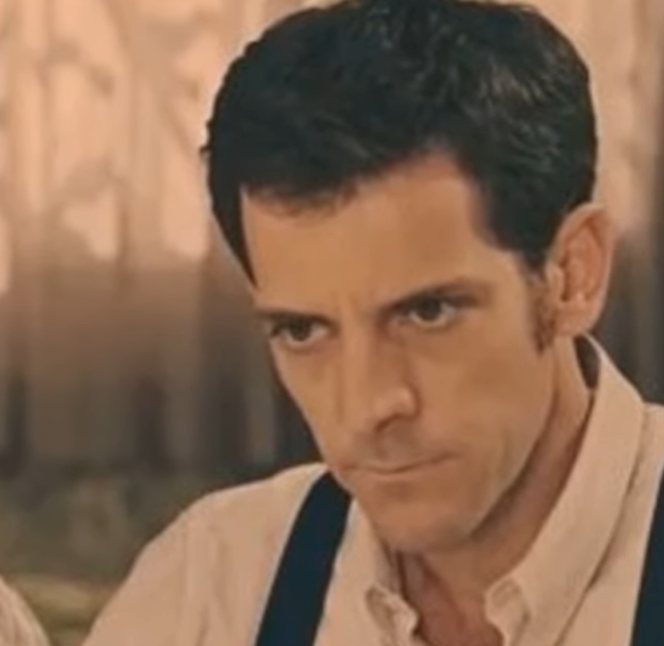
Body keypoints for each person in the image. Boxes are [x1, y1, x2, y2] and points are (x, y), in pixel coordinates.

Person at [83, 1, 664, 645]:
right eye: (303, 331)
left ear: (573, 274)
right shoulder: (214, 587)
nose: (364, 408)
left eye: (427, 312)